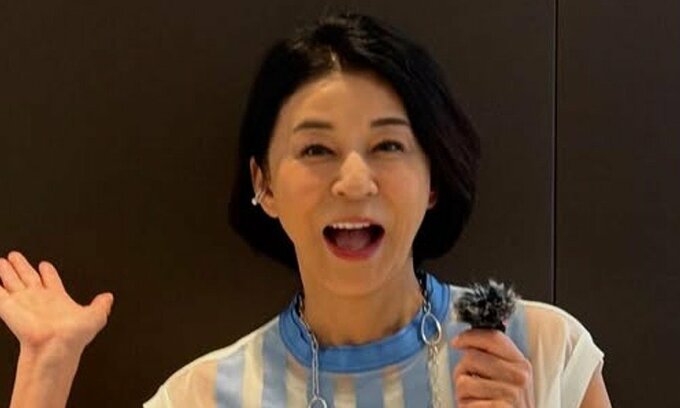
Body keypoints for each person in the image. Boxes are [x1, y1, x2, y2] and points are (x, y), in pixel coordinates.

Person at [0, 12, 612, 408]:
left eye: (388, 146)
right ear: (264, 184)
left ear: (433, 180)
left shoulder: (541, 347)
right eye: (316, 149)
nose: (354, 181)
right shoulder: (204, 396)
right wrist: (46, 369)